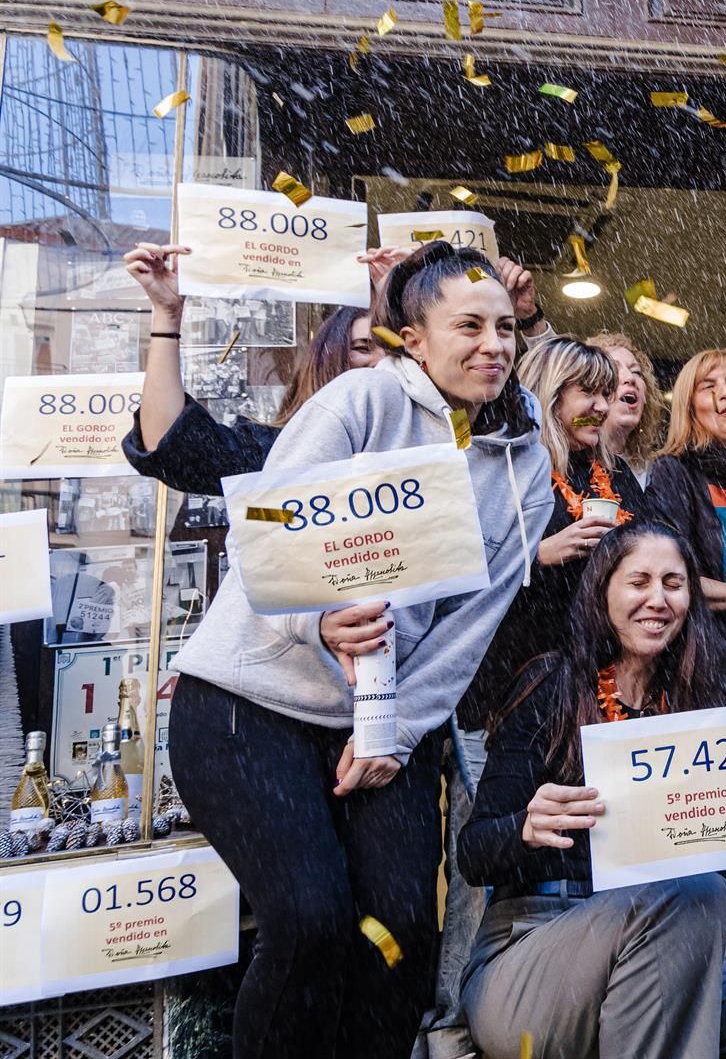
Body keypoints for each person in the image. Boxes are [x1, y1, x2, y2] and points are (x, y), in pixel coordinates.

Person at [165, 242, 554, 1059]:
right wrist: (318, 622)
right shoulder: (359, 402)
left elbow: (466, 631)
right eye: (470, 326)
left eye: (507, 329)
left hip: (382, 724)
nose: (495, 345)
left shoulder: (526, 470)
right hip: (247, 710)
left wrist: (396, 731)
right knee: (310, 921)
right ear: (413, 337)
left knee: (403, 931)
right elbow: (265, 531)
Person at [457, 519, 726, 1059]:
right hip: (534, 944)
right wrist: (525, 830)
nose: (657, 599)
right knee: (690, 896)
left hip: (678, 934)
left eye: (673, 583)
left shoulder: (701, 706)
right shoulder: (553, 685)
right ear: (603, 592)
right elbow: (474, 855)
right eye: (638, 581)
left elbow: (720, 874)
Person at [462, 337, 635, 731]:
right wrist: (536, 556)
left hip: (597, 684)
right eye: (588, 392)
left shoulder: (614, 472)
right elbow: (459, 572)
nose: (603, 407)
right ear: (551, 393)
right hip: (512, 684)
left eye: (607, 394)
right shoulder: (507, 470)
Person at [120, 239, 387, 490]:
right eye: (363, 348)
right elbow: (171, 446)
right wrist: (167, 316)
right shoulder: (283, 450)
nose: (381, 362)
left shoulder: (421, 438)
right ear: (328, 359)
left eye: (395, 352)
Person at [658, 348, 726, 653]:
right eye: (709, 387)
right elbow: (670, 576)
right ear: (689, 407)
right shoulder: (675, 471)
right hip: (708, 649)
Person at [589, 332, 668, 477]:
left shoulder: (655, 473)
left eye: (636, 372)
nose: (630, 378)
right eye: (614, 369)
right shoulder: (563, 461)